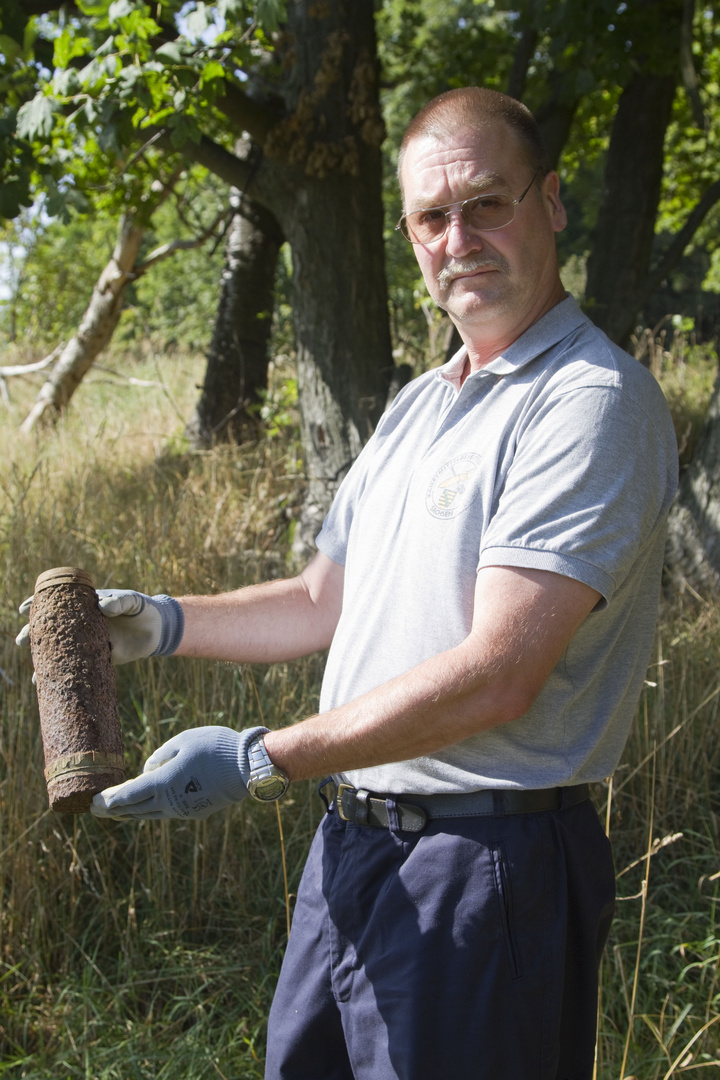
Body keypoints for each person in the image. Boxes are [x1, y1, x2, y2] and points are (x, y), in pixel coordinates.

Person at [18, 87, 678, 1079]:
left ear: (551, 202)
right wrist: (159, 624)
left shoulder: (588, 402)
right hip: (352, 853)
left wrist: (259, 758)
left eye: (486, 202)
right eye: (430, 216)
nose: (459, 238)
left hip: (483, 872)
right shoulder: (421, 403)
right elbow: (321, 601)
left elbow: (502, 674)